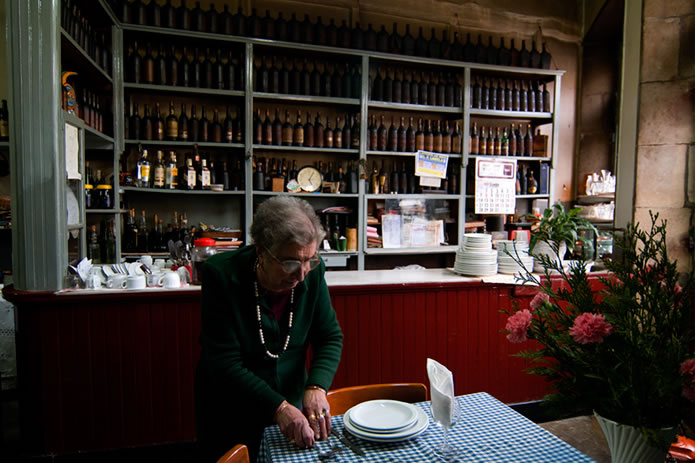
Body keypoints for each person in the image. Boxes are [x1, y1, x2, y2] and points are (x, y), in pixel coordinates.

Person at [195, 196, 343, 461]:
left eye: (310, 259)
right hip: (232, 409)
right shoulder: (221, 275)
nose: (301, 274)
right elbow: (224, 362)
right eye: (290, 263)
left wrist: (317, 387)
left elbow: (329, 336)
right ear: (261, 251)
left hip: (292, 406)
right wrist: (279, 407)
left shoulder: (312, 274)